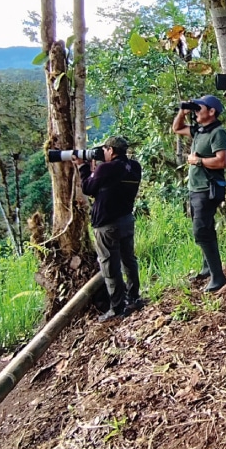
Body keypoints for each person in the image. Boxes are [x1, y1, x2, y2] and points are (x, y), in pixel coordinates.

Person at [76, 136, 143, 321]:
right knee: (128, 260)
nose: (102, 153)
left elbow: (88, 188)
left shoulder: (106, 168)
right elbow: (107, 186)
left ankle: (117, 307)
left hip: (107, 224)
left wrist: (83, 167)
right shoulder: (134, 167)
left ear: (111, 151)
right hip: (126, 219)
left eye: (104, 149)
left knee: (109, 265)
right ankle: (134, 297)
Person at [172, 95, 226, 293]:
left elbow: (222, 161)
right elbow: (177, 129)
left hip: (207, 188)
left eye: (200, 108)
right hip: (196, 188)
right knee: (205, 227)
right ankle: (208, 268)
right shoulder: (199, 130)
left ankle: (218, 277)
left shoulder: (218, 132)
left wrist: (198, 161)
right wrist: (183, 111)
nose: (197, 112)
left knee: (202, 231)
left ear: (212, 112)